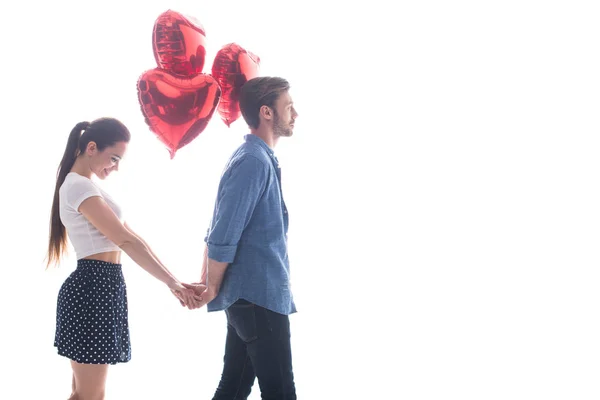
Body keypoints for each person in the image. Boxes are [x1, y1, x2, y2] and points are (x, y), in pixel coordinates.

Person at [47, 117, 203, 400]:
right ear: (91, 147)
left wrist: (175, 280)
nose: (116, 167)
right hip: (92, 291)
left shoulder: (87, 187)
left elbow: (134, 238)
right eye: (114, 158)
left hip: (101, 289)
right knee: (90, 395)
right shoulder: (78, 187)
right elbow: (126, 241)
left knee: (84, 394)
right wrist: (171, 284)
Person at [185, 76, 299, 400]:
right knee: (280, 393)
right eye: (288, 106)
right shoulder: (252, 161)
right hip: (257, 300)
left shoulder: (257, 158)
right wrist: (211, 286)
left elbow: (218, 227)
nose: (295, 113)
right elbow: (222, 233)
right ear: (266, 112)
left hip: (249, 299)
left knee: (233, 389)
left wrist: (211, 282)